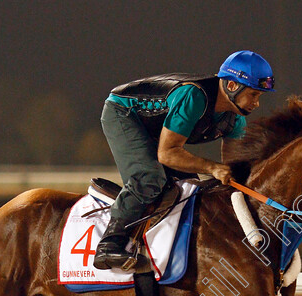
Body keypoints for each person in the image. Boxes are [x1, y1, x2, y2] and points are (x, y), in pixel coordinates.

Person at [93, 50, 275, 270]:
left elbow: (231, 171)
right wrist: (212, 167)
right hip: (123, 113)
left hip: (156, 127)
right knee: (149, 177)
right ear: (233, 86)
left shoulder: (235, 119)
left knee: (188, 188)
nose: (256, 104)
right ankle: (109, 244)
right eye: (254, 95)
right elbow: (167, 154)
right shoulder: (194, 97)